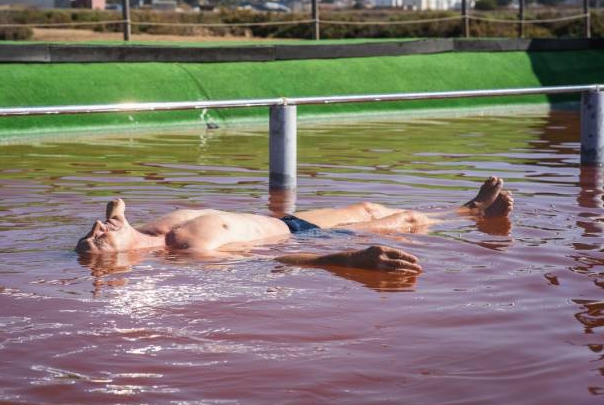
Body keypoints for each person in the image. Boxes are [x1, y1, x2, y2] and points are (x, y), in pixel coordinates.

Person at [76, 176, 513, 274]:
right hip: (303, 236)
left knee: (367, 204)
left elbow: (115, 205)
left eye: (97, 227)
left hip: (284, 220)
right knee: (404, 221)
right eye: (98, 239)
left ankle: (467, 212)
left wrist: (116, 215)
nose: (98, 226)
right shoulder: (187, 252)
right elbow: (276, 260)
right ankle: (471, 212)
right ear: (121, 263)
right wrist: (348, 259)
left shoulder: (132, 227)